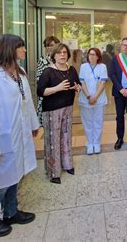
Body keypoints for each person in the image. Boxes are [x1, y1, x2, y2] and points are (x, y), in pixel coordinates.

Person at [0, 34, 38, 237]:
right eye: (21, 47)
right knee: (1, 182)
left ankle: (11, 212)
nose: (24, 51)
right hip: (2, 136)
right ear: (10, 50)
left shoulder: (19, 74)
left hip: (19, 132)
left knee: (15, 174)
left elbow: (27, 103)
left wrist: (33, 125)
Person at [37, 43, 81, 184]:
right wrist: (57, 88)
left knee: (66, 137)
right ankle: (53, 172)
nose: (62, 55)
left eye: (64, 52)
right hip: (52, 110)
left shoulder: (72, 69)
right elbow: (40, 92)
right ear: (54, 55)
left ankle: (67, 164)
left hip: (67, 108)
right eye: (59, 53)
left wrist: (77, 87)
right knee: (53, 141)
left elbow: (78, 84)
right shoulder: (48, 71)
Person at [78, 47, 108, 155]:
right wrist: (88, 96)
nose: (92, 56)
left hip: (99, 99)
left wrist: (95, 97)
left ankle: (96, 143)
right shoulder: (83, 66)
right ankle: (90, 143)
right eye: (90, 54)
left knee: (98, 122)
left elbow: (103, 83)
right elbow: (82, 82)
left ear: (98, 56)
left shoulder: (102, 66)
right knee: (88, 123)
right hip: (85, 99)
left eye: (94, 54)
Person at [36, 36, 60, 125]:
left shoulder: (62, 60)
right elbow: (40, 80)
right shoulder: (42, 60)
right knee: (48, 127)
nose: (49, 48)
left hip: (60, 98)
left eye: (51, 45)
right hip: (46, 98)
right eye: (47, 46)